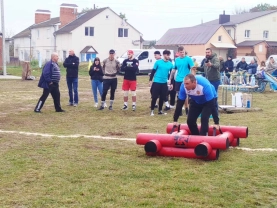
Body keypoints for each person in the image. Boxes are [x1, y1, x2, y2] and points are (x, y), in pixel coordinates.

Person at [168, 46, 194, 115]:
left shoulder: (188, 59)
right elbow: (173, 70)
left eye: (183, 52)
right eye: (181, 52)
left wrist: (193, 77)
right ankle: (179, 110)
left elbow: (193, 68)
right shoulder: (177, 60)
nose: (182, 53)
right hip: (178, 79)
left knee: (185, 95)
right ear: (178, 53)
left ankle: (186, 108)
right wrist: (170, 79)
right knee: (179, 95)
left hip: (186, 79)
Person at [149, 50, 173, 116]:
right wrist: (150, 80)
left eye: (169, 55)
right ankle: (152, 110)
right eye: (167, 55)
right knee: (154, 97)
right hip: (156, 82)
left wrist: (171, 83)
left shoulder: (170, 64)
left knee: (162, 97)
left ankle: (160, 110)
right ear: (164, 55)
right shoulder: (158, 62)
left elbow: (171, 74)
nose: (168, 56)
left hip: (164, 83)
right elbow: (153, 71)